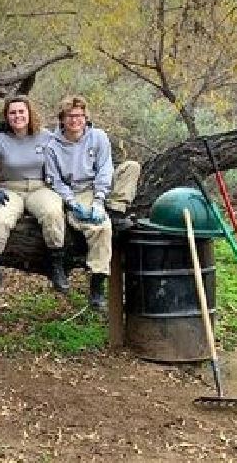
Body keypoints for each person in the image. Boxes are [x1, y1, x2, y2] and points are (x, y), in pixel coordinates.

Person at [44, 94, 141, 311]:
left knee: (131, 167)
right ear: (62, 119)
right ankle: (97, 287)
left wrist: (100, 198)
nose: (75, 120)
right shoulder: (52, 145)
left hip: (98, 184)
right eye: (70, 116)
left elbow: (105, 168)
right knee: (101, 229)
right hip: (77, 190)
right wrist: (71, 202)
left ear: (85, 118)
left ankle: (115, 212)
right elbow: (55, 180)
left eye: (79, 116)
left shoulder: (98, 136)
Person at [0, 96, 67, 299]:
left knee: (53, 213)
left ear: (29, 113)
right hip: (9, 188)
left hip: (40, 186)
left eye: (21, 112)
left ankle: (56, 265)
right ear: (7, 116)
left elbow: (68, 147)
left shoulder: (45, 136)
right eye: (13, 113)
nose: (17, 116)